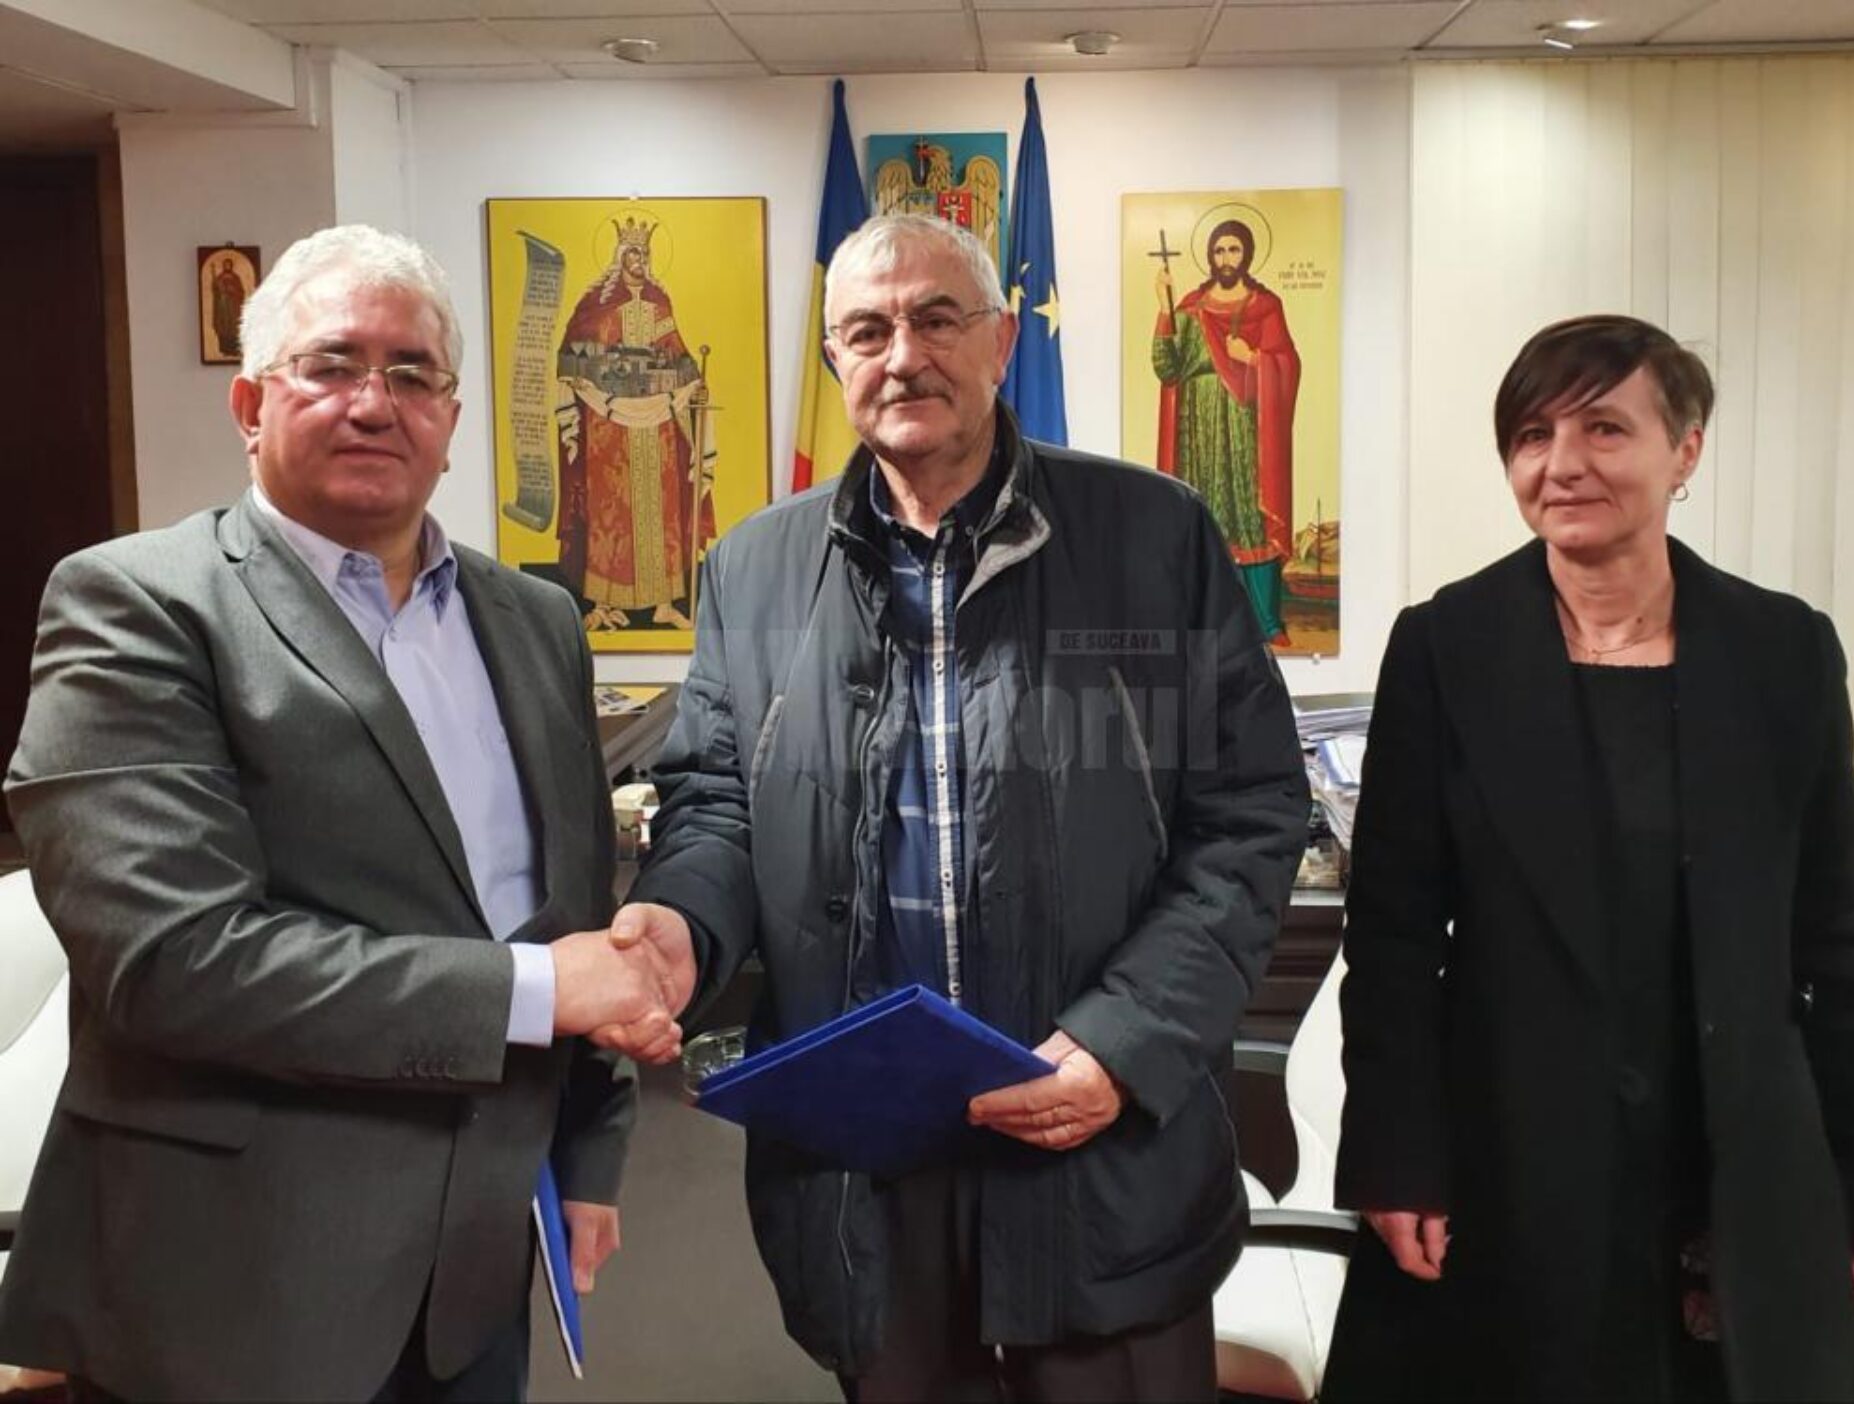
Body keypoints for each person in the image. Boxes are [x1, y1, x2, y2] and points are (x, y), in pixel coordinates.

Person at [613, 212, 1310, 1400]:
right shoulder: (755, 568)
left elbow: (1247, 816)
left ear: (1001, 343)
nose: (904, 356)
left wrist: (1124, 1041)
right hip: (868, 1154)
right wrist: (679, 919)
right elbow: (717, 801)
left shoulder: (1153, 537)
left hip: (1098, 1141)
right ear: (834, 359)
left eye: (938, 319)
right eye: (867, 331)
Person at [0, 225, 688, 1403]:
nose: (375, 403)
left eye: (412, 373)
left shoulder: (535, 621)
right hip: (234, 1290)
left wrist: (588, 1150)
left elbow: (561, 907)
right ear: (250, 403)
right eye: (331, 365)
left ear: (451, 420)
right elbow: (174, 963)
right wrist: (536, 989)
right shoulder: (136, 607)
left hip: (474, 1272)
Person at [1324, 314, 1854, 1401]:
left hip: (1736, 1147)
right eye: (1532, 435)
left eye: (1604, 428)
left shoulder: (1785, 651)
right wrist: (1394, 1155)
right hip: (1509, 1150)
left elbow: (1833, 939)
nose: (1562, 464)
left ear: (1685, 450)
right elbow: (1395, 937)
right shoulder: (1446, 647)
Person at [554, 215, 714, 633]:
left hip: (658, 420)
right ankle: (604, 602)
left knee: (662, 509)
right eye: (632, 252)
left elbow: (678, 354)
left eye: (644, 252)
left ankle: (663, 602)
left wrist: (695, 383)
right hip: (607, 426)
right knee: (611, 510)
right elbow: (572, 357)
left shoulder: (660, 304)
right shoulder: (596, 306)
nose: (639, 259)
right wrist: (585, 377)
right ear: (619, 256)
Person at [1152, 218, 1301, 646]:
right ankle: (1201, 616)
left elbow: (1288, 366)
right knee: (1204, 514)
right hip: (1196, 429)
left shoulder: (1265, 307)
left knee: (1248, 512)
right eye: (1219, 251)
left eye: (1234, 249)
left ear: (1247, 254)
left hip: (1244, 426)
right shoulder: (1190, 307)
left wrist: (1253, 358)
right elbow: (1167, 368)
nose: (1226, 259)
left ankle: (1264, 619)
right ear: (1210, 256)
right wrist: (1164, 309)